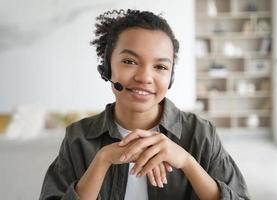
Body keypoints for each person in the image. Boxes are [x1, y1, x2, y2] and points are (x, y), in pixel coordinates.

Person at [39, 9, 250, 200]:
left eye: (160, 66)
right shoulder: (78, 137)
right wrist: (101, 161)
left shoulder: (201, 134)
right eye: (130, 61)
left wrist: (187, 162)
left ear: (171, 77)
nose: (145, 77)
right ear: (107, 67)